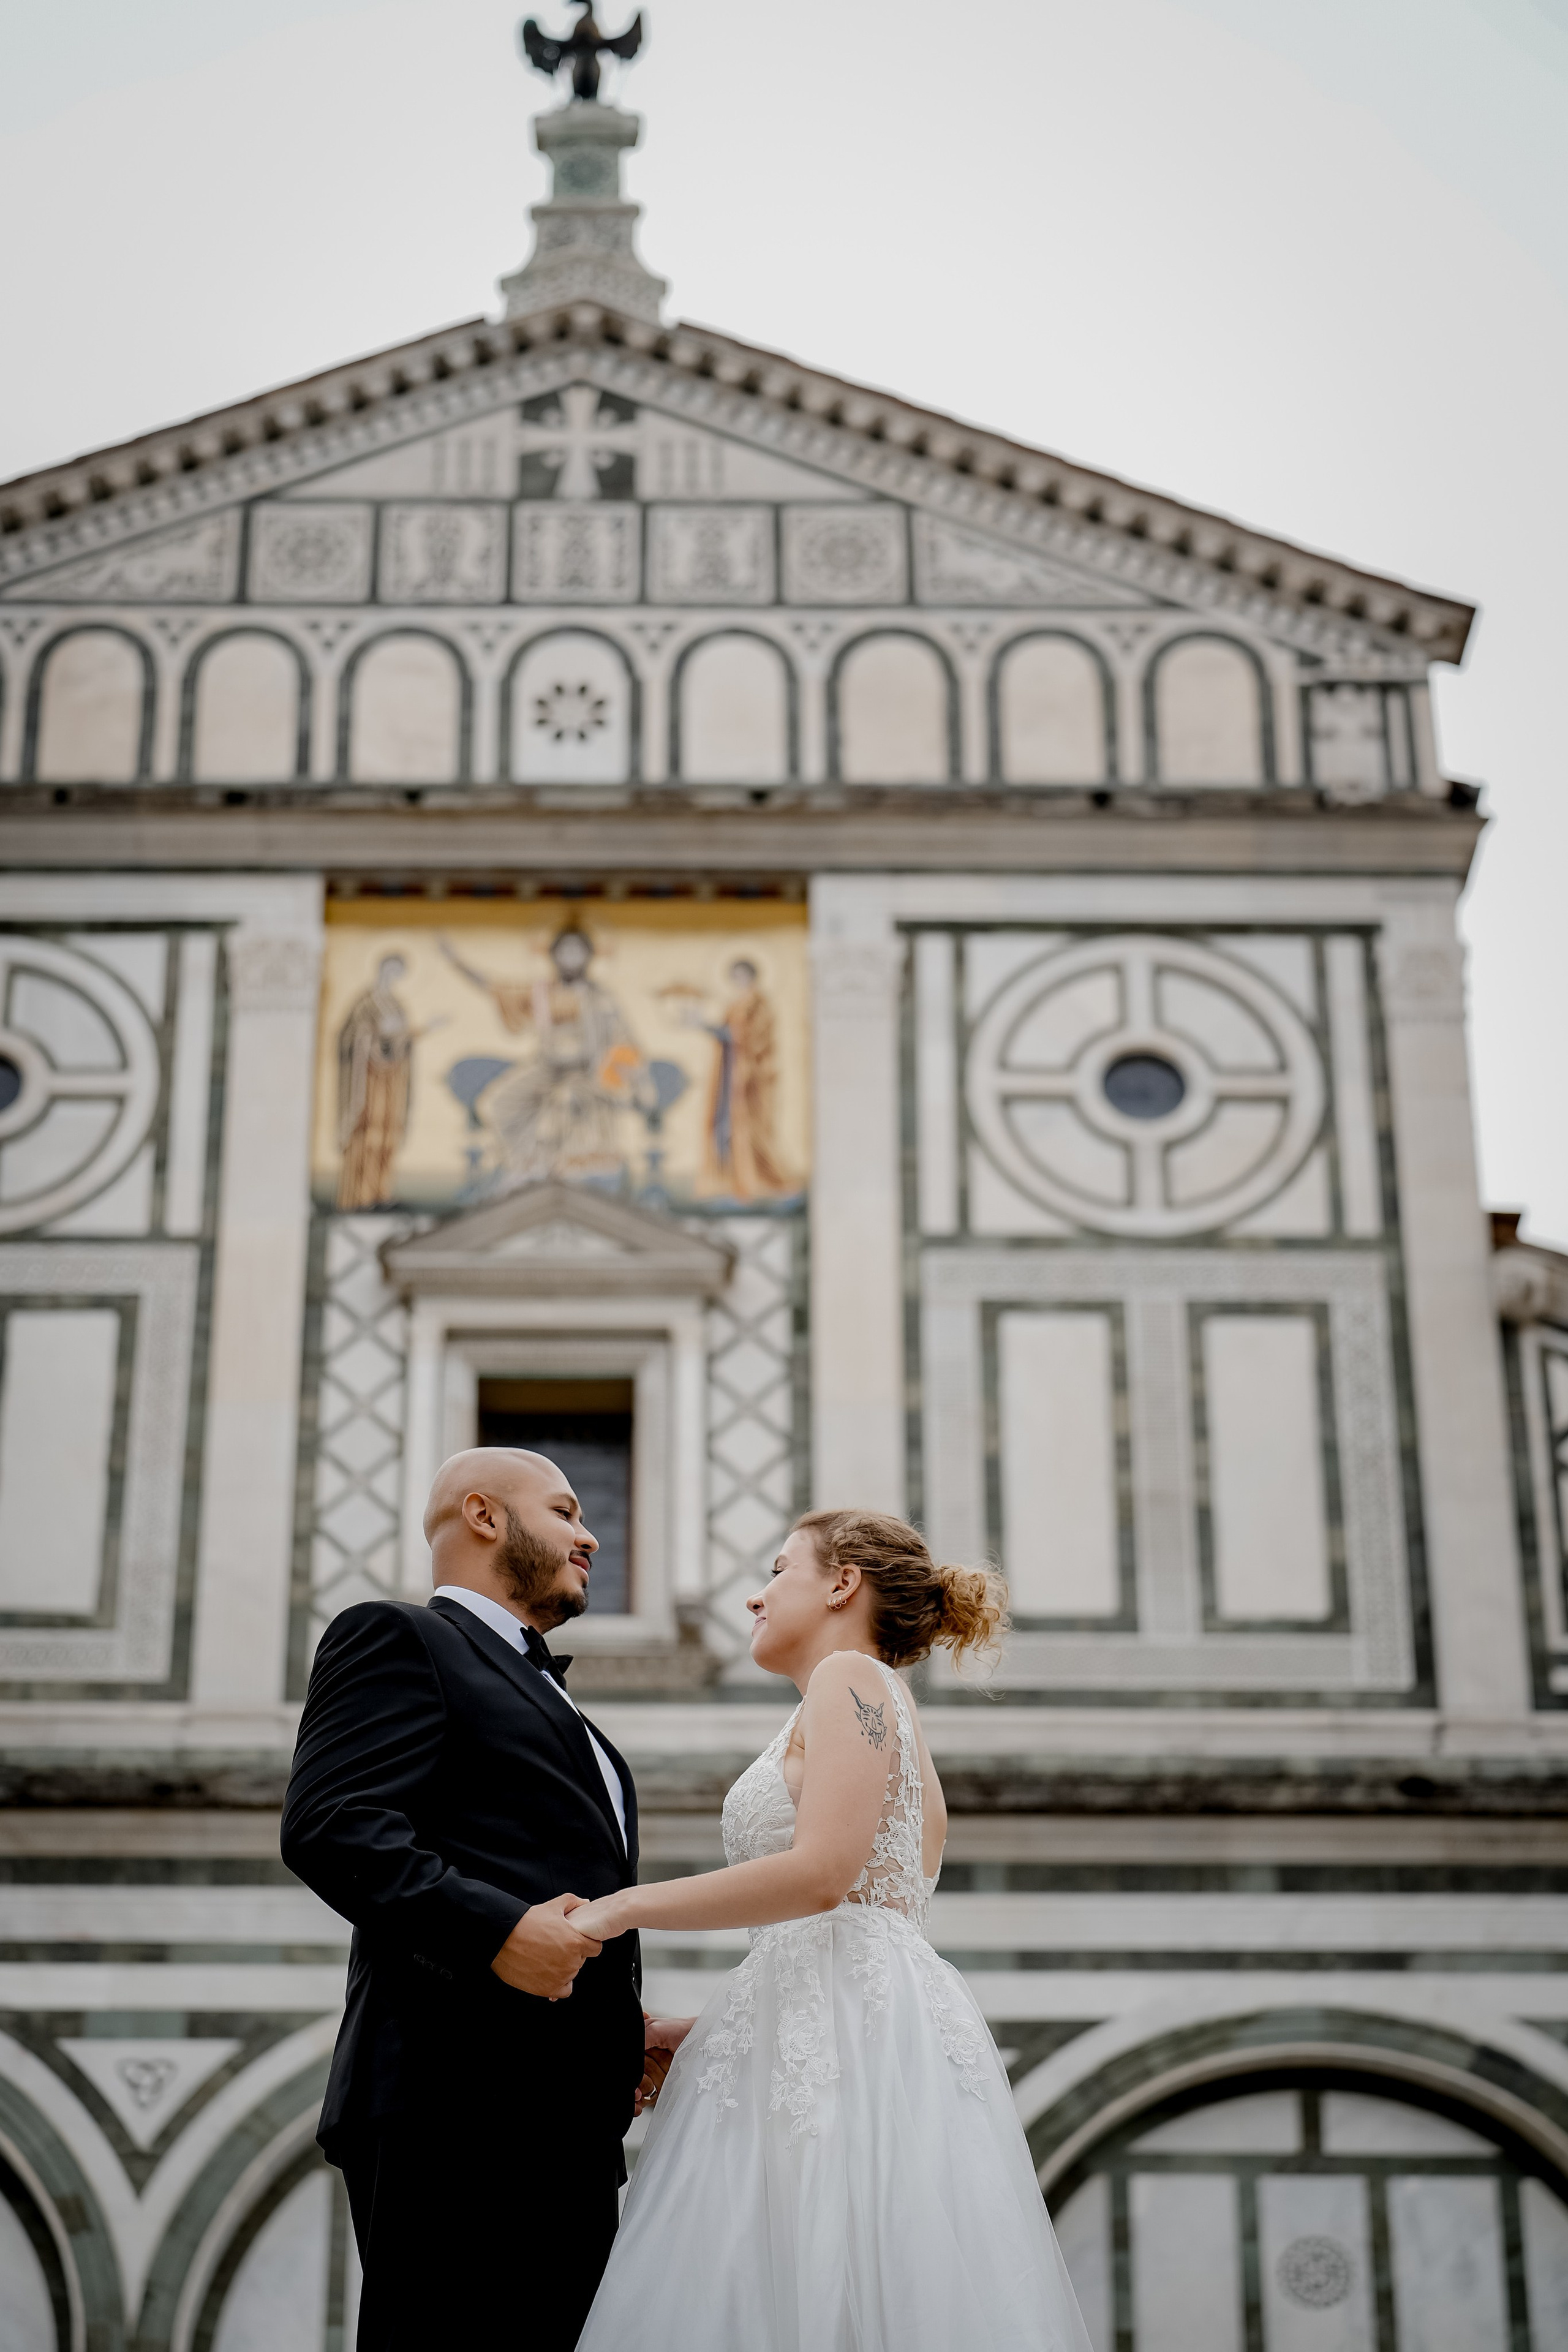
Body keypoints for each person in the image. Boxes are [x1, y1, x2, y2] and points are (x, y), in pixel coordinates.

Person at [570, 1509, 1095, 2352]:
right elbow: (853, 1943)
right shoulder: (868, 1700)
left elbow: (821, 1879)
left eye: (780, 1570)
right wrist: (708, 2035)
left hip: (849, 2066)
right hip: (851, 2046)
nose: (756, 1596)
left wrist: (616, 1909)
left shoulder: (850, 1677)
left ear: (843, 1582)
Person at [280, 1447, 684, 2352]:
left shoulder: (567, 1709)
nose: (590, 1536)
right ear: (485, 1516)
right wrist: (499, 1933)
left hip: (565, 2125)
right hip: (452, 2106)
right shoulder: (396, 1635)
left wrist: (620, 2026)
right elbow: (333, 1824)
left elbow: (540, 1877)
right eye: (567, 1511)